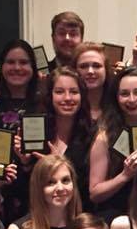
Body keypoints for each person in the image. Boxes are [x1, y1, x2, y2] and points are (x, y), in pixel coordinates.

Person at [88, 67, 137, 222]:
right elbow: (95, 194)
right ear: (116, 98)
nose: (132, 100)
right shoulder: (104, 138)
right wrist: (125, 175)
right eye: (124, 94)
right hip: (113, 217)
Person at [0, 39, 41, 223]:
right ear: (2, 66)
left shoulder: (44, 103)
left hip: (35, 192)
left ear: (33, 67)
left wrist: (27, 163)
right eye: (11, 62)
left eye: (24, 62)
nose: (17, 67)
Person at [41, 67, 96, 209]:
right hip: (40, 213)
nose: (67, 98)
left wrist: (60, 164)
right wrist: (25, 161)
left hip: (81, 214)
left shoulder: (94, 135)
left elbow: (90, 189)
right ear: (50, 96)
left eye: (74, 92)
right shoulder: (37, 130)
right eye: (59, 92)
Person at [72, 43, 109, 124]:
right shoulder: (68, 107)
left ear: (106, 70)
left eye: (97, 66)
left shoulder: (119, 106)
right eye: (83, 66)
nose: (90, 71)